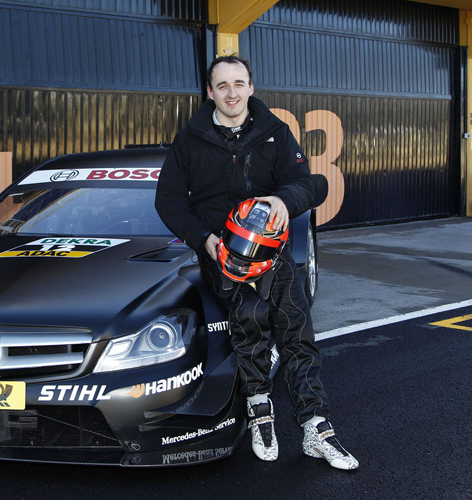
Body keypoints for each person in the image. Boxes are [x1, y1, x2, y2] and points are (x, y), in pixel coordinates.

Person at [155, 55, 358, 470]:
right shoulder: (189, 140)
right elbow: (169, 201)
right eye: (222, 85)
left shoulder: (274, 132)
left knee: (297, 334)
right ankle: (260, 412)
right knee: (250, 331)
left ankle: (316, 428)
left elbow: (306, 183)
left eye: (239, 83)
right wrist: (204, 239)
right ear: (209, 92)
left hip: (273, 253)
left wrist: (285, 199)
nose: (232, 93)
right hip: (222, 255)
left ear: (251, 87)